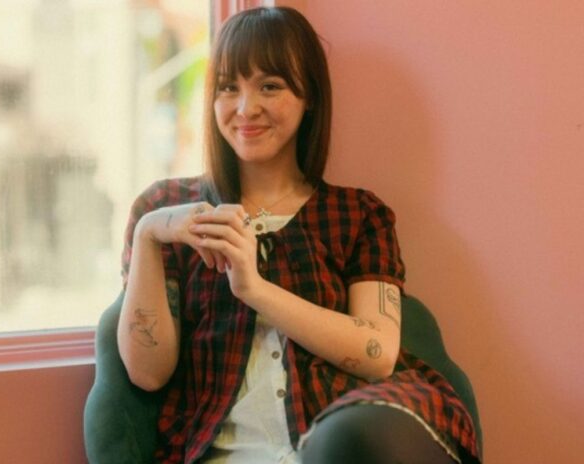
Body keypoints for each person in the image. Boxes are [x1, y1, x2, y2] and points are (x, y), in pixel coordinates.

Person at [117, 6, 480, 464]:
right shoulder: (164, 212)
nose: (246, 108)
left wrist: (254, 289)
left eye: (270, 86)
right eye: (229, 87)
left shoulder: (357, 214)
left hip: (338, 443)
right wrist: (150, 235)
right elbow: (146, 375)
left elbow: (378, 353)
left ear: (309, 97)